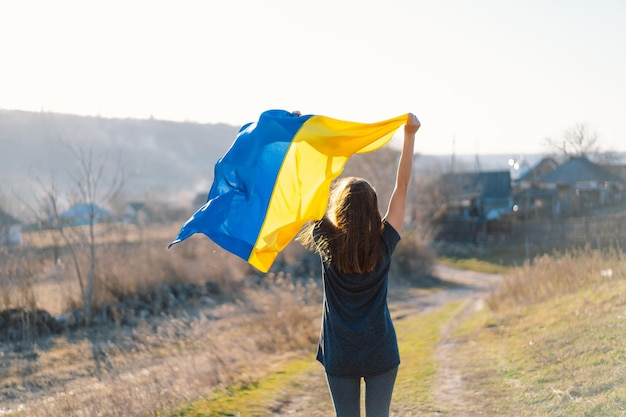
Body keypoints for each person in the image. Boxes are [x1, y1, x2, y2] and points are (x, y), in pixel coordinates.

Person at [296, 113, 420, 417]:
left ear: (339, 208)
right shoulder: (384, 242)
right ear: (373, 208)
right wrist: (410, 136)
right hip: (381, 352)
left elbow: (309, 187)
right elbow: (401, 188)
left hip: (339, 354)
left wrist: (302, 139)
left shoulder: (326, 240)